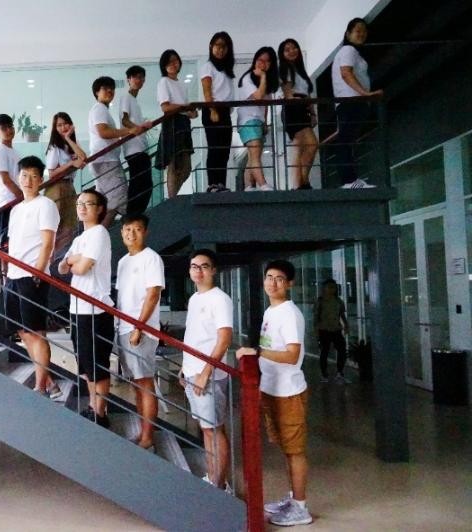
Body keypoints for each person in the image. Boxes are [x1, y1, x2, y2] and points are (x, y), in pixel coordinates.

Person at [237, 260, 312, 527]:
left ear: (289, 283)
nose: (272, 282)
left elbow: (291, 355)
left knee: (294, 450)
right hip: (272, 389)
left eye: (279, 278)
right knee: (285, 449)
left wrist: (257, 352)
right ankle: (293, 498)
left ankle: (301, 507)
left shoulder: (289, 314)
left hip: (288, 393)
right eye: (269, 277)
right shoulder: (272, 311)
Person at [5, 156, 62, 398]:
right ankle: (49, 382)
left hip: (33, 276)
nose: (28, 180)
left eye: (34, 176)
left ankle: (40, 388)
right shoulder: (16, 209)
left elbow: (48, 242)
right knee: (22, 331)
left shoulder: (45, 205)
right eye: (24, 175)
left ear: (41, 179)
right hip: (13, 275)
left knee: (36, 332)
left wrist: (38, 271)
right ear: (18, 177)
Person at [58, 189, 114, 427]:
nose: (81, 208)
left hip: (95, 310)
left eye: (88, 204)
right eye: (79, 203)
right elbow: (61, 268)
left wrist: (73, 261)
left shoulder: (99, 233)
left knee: (96, 365)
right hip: (78, 309)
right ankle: (93, 406)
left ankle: (100, 413)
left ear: (99, 209)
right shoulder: (80, 238)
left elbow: (80, 269)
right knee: (85, 365)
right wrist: (73, 260)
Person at [180, 249, 233, 492]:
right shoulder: (194, 299)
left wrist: (205, 373)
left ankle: (219, 487)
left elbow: (224, 338)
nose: (198, 271)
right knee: (207, 429)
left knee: (213, 429)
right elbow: (195, 337)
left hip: (208, 376)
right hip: (193, 372)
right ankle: (213, 479)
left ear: (213, 270)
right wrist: (185, 369)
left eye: (204, 266)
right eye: (194, 266)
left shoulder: (219, 299)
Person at [115, 213, 164, 449]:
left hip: (141, 331)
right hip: (124, 329)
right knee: (135, 384)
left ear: (145, 232)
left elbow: (152, 294)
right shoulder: (123, 262)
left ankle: (147, 437)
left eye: (136, 229)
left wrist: (139, 328)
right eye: (127, 229)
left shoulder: (151, 258)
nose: (131, 234)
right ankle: (142, 432)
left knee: (145, 383)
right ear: (121, 232)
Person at [88, 76, 147, 227]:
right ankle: (100, 233)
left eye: (112, 89)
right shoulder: (99, 108)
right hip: (106, 161)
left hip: (103, 160)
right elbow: (103, 132)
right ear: (96, 92)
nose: (109, 91)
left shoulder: (102, 110)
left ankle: (96, 233)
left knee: (105, 202)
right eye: (105, 88)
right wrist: (129, 131)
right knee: (119, 199)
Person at [332, 17, 383, 189]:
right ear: (348, 34)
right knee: (346, 141)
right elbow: (346, 73)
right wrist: (365, 94)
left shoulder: (351, 52)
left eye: (364, 31)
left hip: (351, 102)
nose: (362, 34)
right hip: (351, 101)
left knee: (347, 140)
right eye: (357, 30)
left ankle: (350, 180)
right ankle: (349, 181)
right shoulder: (348, 50)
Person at [155, 49, 197, 199]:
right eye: (169, 62)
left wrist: (190, 111)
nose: (173, 64)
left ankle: (173, 198)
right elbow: (165, 107)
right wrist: (184, 108)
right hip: (172, 123)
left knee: (186, 168)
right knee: (174, 164)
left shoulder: (181, 84)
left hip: (183, 123)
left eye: (175, 60)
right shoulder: (164, 82)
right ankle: (172, 199)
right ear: (164, 66)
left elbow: (186, 110)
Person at [236, 47, 279, 191]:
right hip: (248, 120)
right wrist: (264, 77)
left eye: (267, 61)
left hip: (257, 121)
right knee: (255, 154)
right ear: (255, 60)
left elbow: (265, 104)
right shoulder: (248, 78)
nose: (263, 64)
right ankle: (263, 184)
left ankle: (249, 186)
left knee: (253, 155)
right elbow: (259, 97)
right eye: (260, 60)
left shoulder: (265, 83)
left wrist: (265, 122)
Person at [45, 111, 87, 253]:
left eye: (65, 124)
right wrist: (70, 164)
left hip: (69, 186)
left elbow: (83, 157)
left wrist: (69, 138)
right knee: (54, 227)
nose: (63, 128)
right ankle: (48, 260)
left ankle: (54, 258)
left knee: (69, 228)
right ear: (55, 128)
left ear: (71, 125)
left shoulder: (71, 144)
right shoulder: (54, 147)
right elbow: (51, 173)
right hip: (56, 187)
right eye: (59, 125)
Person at [199, 32, 236, 193]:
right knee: (215, 148)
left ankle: (220, 183)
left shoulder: (226, 69)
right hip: (212, 109)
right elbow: (207, 90)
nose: (221, 50)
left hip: (225, 111)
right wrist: (212, 109)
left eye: (224, 47)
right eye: (218, 46)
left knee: (224, 149)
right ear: (211, 46)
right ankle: (212, 184)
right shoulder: (208, 66)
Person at [278, 38, 317, 190]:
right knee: (306, 145)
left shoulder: (301, 71)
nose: (292, 51)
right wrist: (291, 99)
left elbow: (307, 94)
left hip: (302, 106)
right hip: (293, 107)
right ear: (282, 54)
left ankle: (301, 182)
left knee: (305, 146)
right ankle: (300, 183)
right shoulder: (285, 68)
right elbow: (287, 90)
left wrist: (313, 113)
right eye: (287, 49)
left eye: (294, 48)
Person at [119, 65, 153, 213]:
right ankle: (132, 215)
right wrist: (139, 128)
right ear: (129, 79)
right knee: (141, 184)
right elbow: (124, 120)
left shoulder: (134, 100)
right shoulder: (126, 97)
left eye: (141, 77)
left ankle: (135, 215)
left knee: (142, 184)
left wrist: (141, 127)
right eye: (136, 77)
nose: (139, 80)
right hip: (133, 149)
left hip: (139, 148)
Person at [0, 114, 21, 247]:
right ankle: (4, 263)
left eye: (11, 126)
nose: (9, 130)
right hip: (7, 202)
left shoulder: (14, 151)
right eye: (4, 128)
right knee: (6, 243)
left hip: (16, 201)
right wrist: (22, 196)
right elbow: (5, 179)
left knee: (16, 239)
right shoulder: (0, 152)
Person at [315, 278, 350, 383]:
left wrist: (346, 325)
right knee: (324, 352)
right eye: (329, 287)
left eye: (333, 287)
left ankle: (340, 373)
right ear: (324, 288)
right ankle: (324, 374)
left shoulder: (339, 301)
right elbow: (316, 318)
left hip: (336, 330)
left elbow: (341, 314)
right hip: (324, 330)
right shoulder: (320, 301)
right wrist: (316, 332)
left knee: (342, 350)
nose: (331, 289)